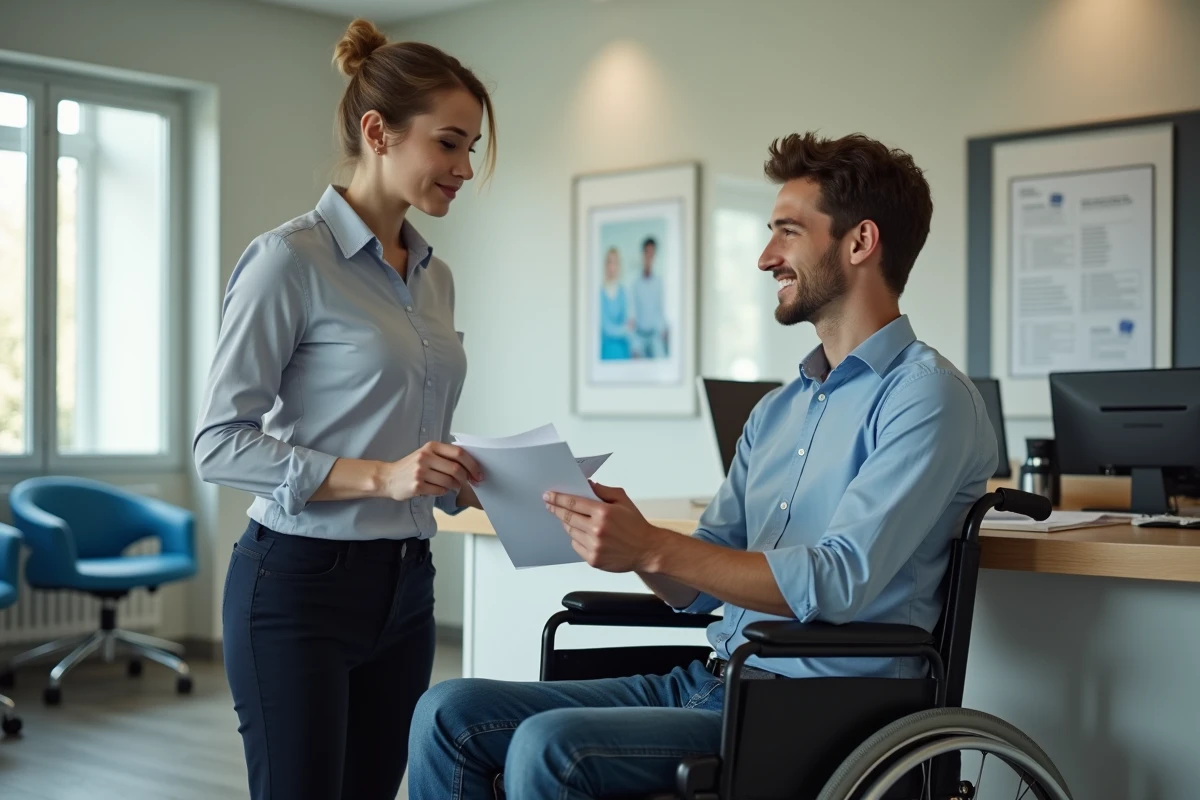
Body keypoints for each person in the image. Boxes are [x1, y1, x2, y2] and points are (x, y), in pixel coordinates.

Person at [406, 131, 999, 800]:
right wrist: (628, 541)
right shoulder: (778, 411)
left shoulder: (927, 397)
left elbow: (838, 580)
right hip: (717, 680)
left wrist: (655, 546)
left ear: (860, 242)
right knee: (448, 712)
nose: (765, 257)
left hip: (824, 711)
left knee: (551, 747)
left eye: (787, 232)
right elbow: (701, 586)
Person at [192, 19, 496, 800]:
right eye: (450, 143)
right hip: (298, 587)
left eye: (471, 148)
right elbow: (219, 444)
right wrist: (383, 477)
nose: (465, 168)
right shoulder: (287, 261)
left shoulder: (435, 277)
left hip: (407, 586)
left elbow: (408, 437)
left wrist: (462, 476)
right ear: (377, 131)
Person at [629, 236, 668, 358]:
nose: (649, 257)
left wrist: (663, 330)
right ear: (643, 254)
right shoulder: (635, 284)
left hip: (655, 336)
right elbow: (632, 314)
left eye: (652, 253)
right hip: (639, 336)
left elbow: (661, 310)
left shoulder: (659, 283)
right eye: (647, 252)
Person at [599, 247, 631, 360]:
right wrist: (624, 329)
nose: (612, 267)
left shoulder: (623, 292)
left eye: (615, 263)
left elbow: (627, 322)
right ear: (605, 265)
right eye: (609, 262)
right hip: (606, 351)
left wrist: (626, 329)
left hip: (623, 350)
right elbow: (605, 328)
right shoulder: (600, 293)